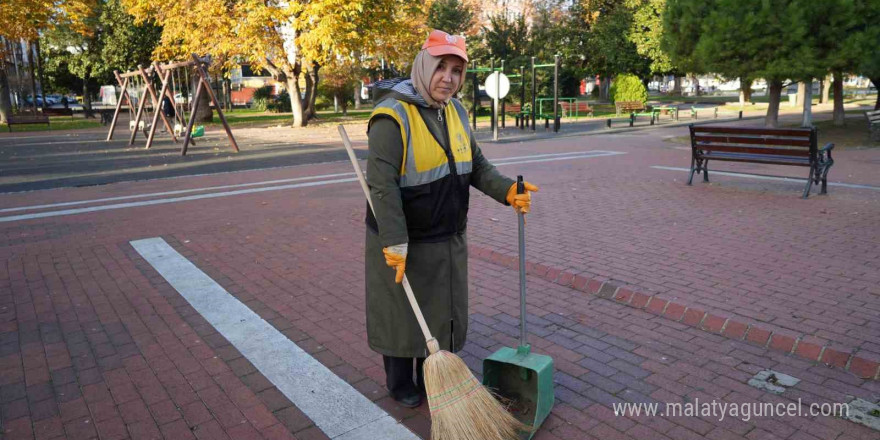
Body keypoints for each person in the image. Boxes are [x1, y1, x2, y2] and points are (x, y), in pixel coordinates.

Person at [364, 29, 539, 408]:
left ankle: (433, 375)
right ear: (424, 66)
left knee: (440, 310)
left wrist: (507, 190)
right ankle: (400, 383)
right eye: (441, 67)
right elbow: (382, 187)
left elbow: (474, 165)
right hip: (403, 237)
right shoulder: (390, 116)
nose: (448, 77)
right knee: (402, 311)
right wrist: (393, 240)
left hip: (447, 233)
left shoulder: (455, 111)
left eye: (457, 70)